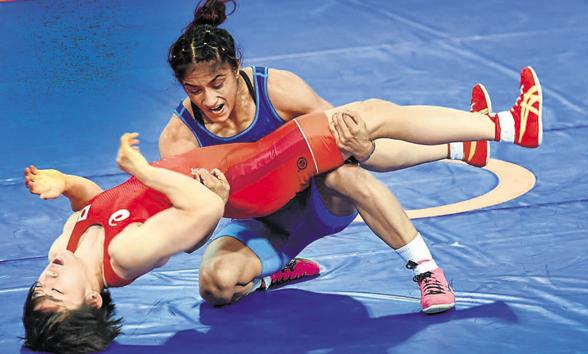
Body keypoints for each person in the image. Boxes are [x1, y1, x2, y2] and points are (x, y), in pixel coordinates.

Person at [21, 60, 542, 352]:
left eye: (39, 288)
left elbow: (99, 205)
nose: (46, 278)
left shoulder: (63, 247)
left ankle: (464, 144)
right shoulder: (128, 257)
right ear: (92, 298)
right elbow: (203, 212)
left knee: (348, 140)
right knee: (356, 121)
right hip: (248, 181)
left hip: (239, 171)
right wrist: (145, 172)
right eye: (55, 292)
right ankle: (505, 126)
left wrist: (65, 182)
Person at [161, 0, 491, 316]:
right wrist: (211, 208)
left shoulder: (278, 89)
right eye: (194, 90)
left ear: (235, 68)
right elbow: (189, 240)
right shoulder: (179, 140)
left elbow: (349, 141)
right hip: (263, 225)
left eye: (218, 83)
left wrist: (364, 149)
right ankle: (275, 273)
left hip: (320, 201)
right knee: (214, 286)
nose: (210, 99)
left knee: (346, 169)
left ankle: (427, 272)